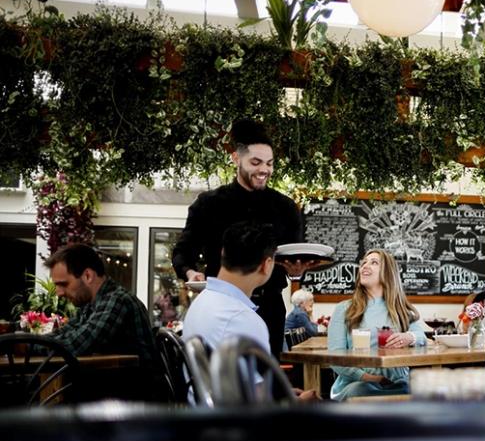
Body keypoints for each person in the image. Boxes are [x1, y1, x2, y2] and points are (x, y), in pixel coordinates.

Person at [172, 119, 302, 361]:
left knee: (263, 380)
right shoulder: (209, 205)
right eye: (255, 162)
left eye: (269, 164)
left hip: (270, 308)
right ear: (235, 159)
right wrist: (190, 272)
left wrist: (295, 271)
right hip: (221, 306)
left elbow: (293, 255)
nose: (264, 169)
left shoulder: (285, 208)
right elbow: (183, 251)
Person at [182, 222, 316, 401]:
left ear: (223, 253)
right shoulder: (243, 318)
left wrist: (283, 393)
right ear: (267, 265)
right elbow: (259, 404)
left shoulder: (201, 301)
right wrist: (297, 403)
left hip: (202, 412)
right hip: (235, 423)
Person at [45, 243, 159, 395]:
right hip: (112, 390)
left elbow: (76, 345)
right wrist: (28, 341)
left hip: (133, 399)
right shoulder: (91, 304)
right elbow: (67, 331)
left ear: (88, 276)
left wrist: (28, 346)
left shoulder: (117, 300)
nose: (58, 293)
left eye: (63, 284)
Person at [327, 249, 427, 400]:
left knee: (421, 392)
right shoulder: (344, 308)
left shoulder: (400, 309)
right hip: (358, 383)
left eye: (374, 263)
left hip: (399, 382)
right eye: (364, 263)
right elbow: (335, 358)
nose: (365, 266)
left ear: (388, 273)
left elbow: (421, 336)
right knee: (361, 392)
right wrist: (370, 378)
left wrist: (409, 337)